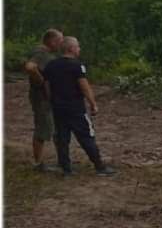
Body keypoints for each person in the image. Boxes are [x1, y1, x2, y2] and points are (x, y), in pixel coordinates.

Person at [42, 36, 116, 177]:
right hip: (75, 108)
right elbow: (84, 87)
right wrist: (93, 104)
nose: (79, 49)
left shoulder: (51, 65)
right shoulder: (76, 65)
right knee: (87, 137)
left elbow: (47, 86)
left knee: (62, 139)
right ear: (71, 49)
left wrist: (52, 101)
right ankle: (100, 167)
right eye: (78, 46)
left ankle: (66, 169)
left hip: (58, 108)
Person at [23, 28, 64, 171]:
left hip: (48, 97)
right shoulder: (41, 53)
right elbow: (30, 67)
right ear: (52, 41)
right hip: (41, 98)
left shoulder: (46, 53)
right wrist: (40, 81)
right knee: (43, 127)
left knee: (52, 126)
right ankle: (38, 163)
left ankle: (60, 159)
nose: (61, 44)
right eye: (60, 41)